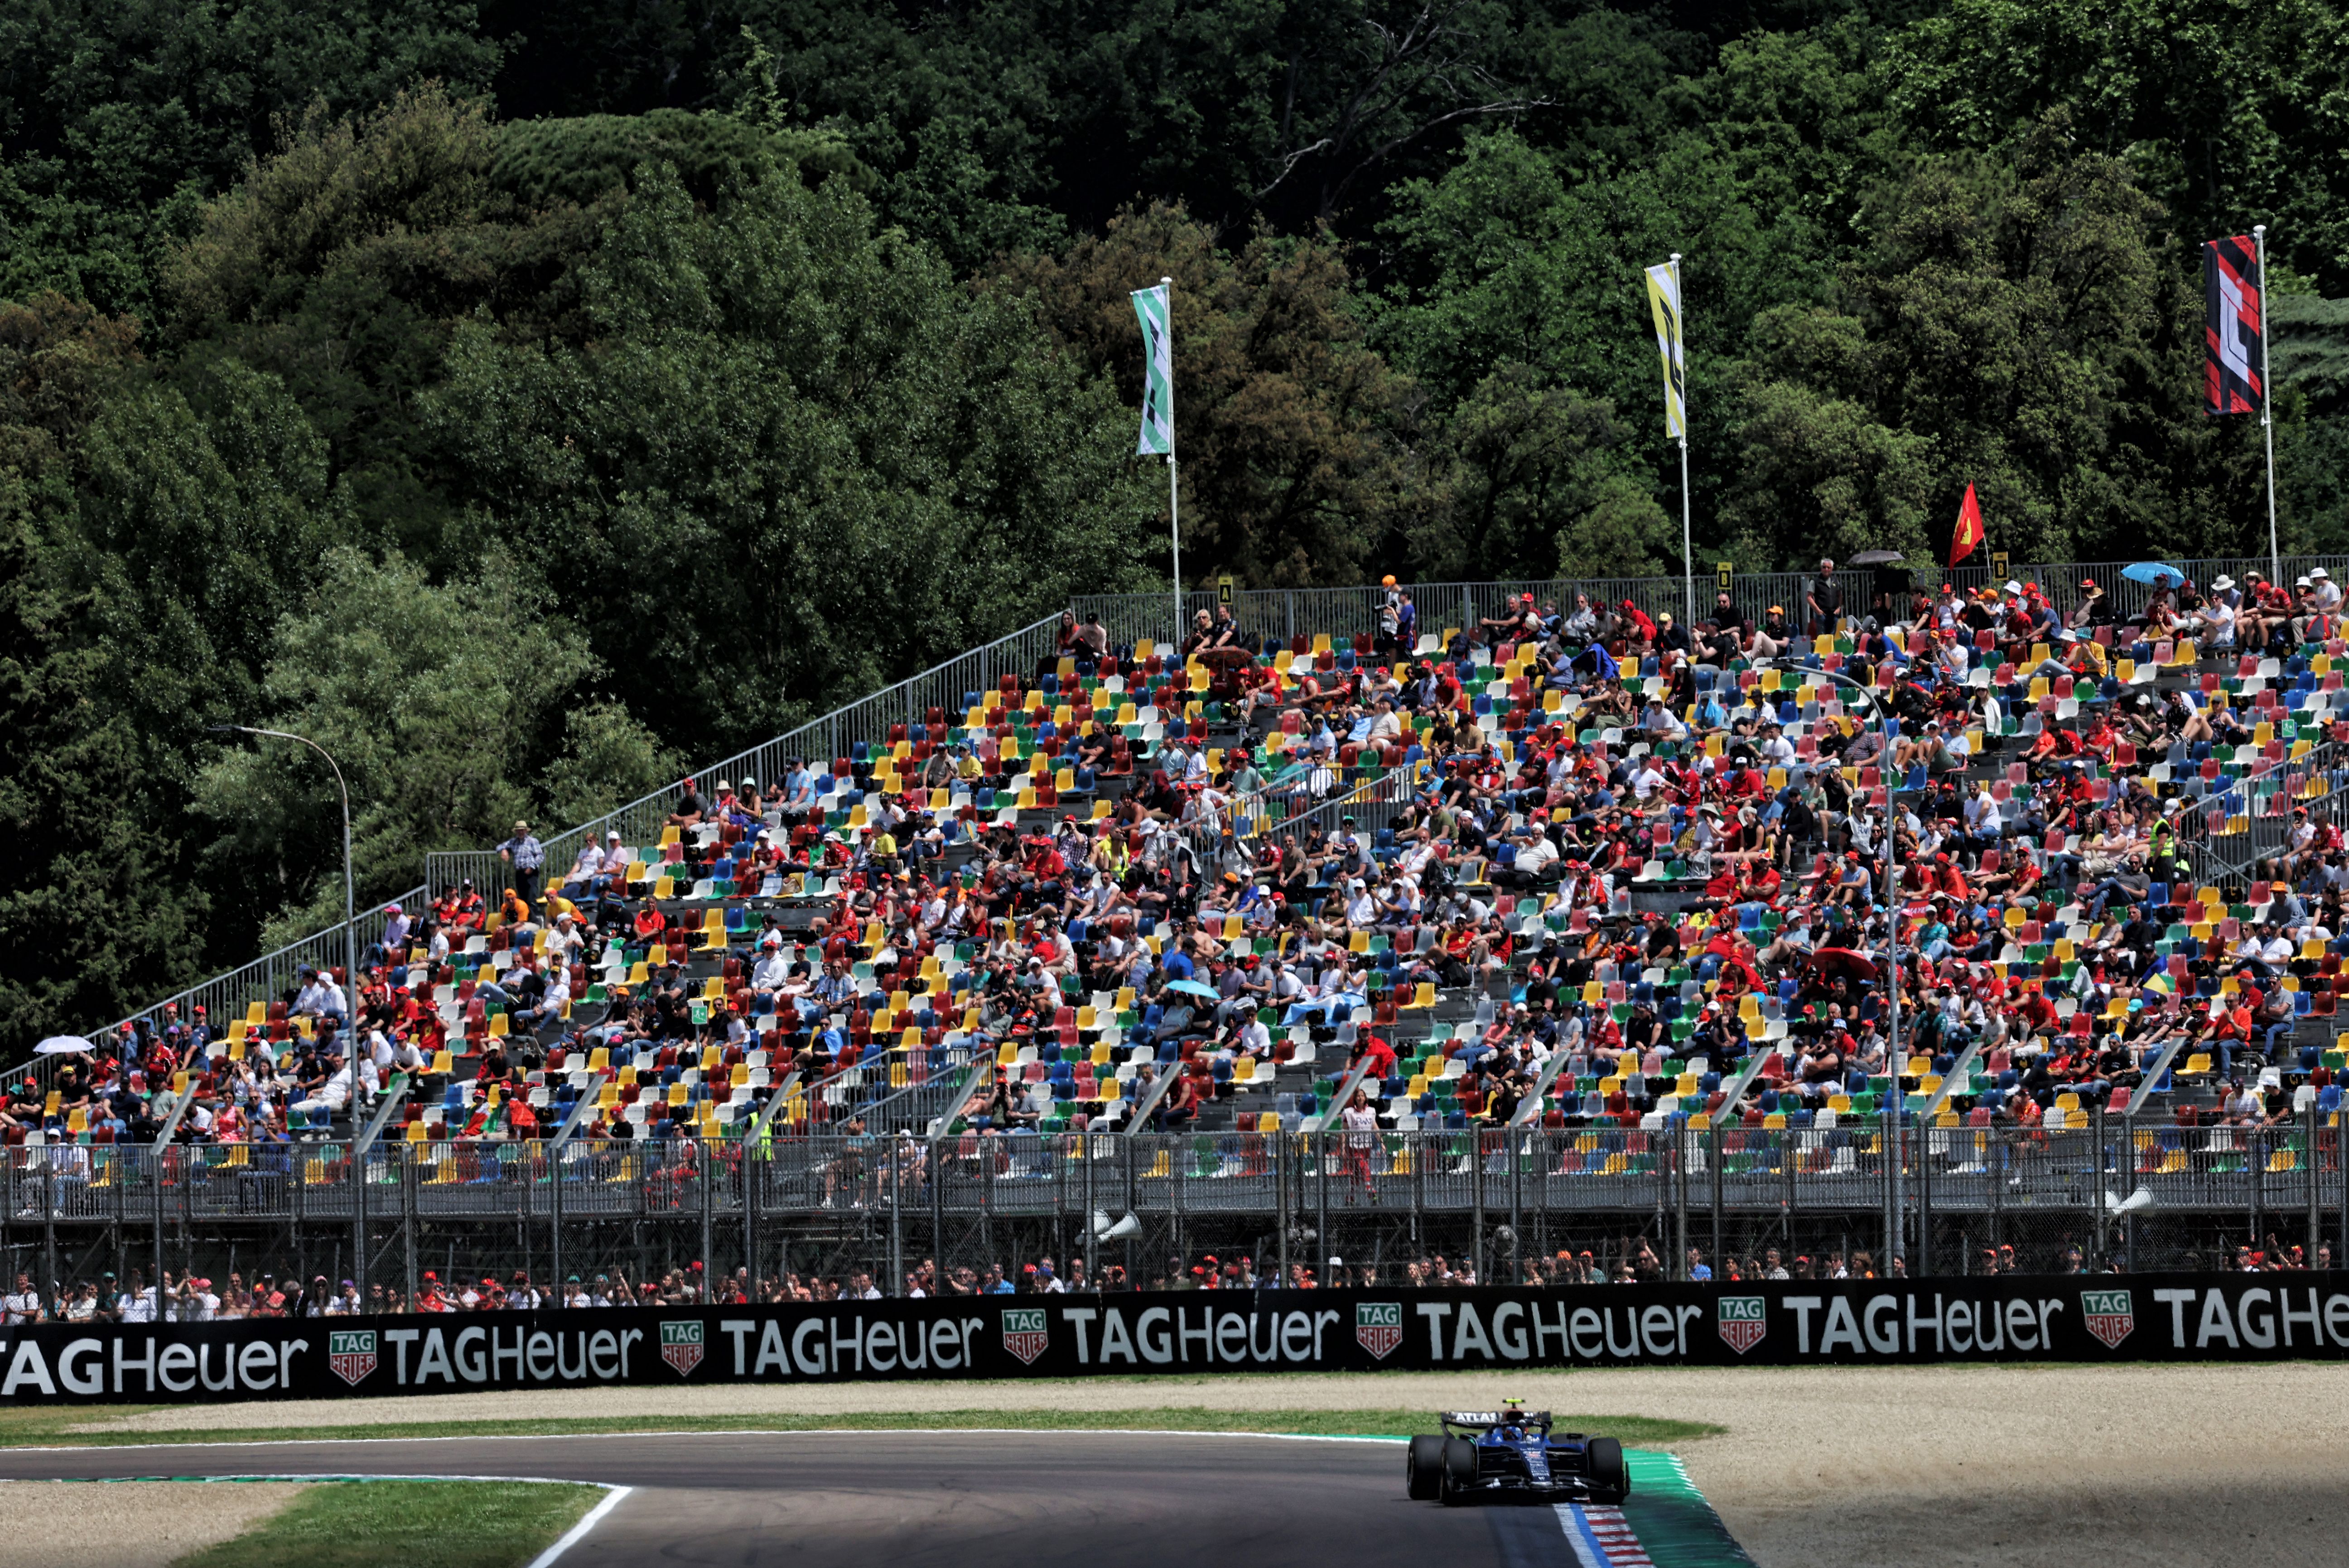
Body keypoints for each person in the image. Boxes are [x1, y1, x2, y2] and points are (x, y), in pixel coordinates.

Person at [499, 820, 546, 911]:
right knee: (522, 898)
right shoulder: (513, 842)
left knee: (531, 898)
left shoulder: (532, 841)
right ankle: (524, 919)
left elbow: (540, 856)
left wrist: (532, 867)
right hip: (520, 873)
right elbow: (500, 846)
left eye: (523, 830)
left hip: (531, 872)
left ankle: (535, 920)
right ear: (516, 831)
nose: (521, 832)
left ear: (526, 831)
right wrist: (504, 850)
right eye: (519, 830)